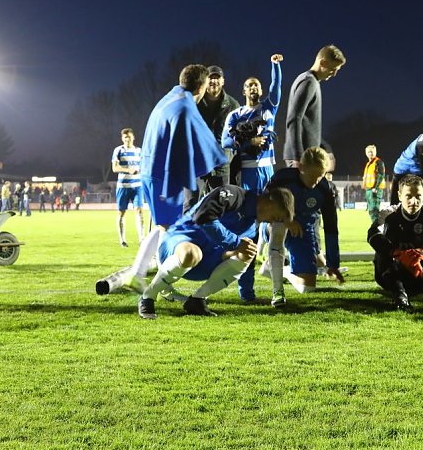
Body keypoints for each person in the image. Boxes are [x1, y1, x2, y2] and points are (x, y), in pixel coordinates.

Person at [130, 64, 228, 286]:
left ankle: (141, 277)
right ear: (201, 87)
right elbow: (196, 144)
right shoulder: (185, 105)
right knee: (167, 229)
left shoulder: (171, 96)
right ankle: (150, 281)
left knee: (162, 226)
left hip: (149, 171)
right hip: (160, 175)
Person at [137, 185, 295, 319]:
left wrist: (238, 255)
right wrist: (236, 243)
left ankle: (197, 300)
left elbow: (228, 251)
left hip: (204, 261)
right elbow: (204, 217)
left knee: (247, 253)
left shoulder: (252, 225)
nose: (273, 221)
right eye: (276, 216)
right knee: (192, 253)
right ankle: (148, 296)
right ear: (270, 202)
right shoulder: (233, 195)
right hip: (177, 244)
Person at [220, 54, 284, 301]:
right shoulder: (236, 115)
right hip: (247, 173)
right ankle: (246, 291)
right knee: (249, 231)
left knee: (276, 223)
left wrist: (275, 66)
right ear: (243, 90)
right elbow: (226, 140)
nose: (254, 88)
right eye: (249, 85)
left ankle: (275, 271)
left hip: (269, 172)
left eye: (257, 84)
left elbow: (277, 87)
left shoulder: (269, 107)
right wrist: (248, 142)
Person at [368, 174, 423, 311]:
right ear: (399, 196)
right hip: (395, 274)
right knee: (381, 252)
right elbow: (372, 235)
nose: (414, 201)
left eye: (418, 196)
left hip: (422, 275)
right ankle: (399, 295)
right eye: (408, 196)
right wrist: (398, 254)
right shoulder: (388, 215)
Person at [265, 147, 341, 304]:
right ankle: (277, 290)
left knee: (307, 288)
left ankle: (282, 270)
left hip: (303, 230)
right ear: (301, 167)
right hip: (276, 222)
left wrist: (333, 264)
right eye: (312, 176)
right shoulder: (283, 179)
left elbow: (331, 227)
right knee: (278, 228)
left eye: (320, 177)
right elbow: (264, 205)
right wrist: (287, 220)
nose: (315, 182)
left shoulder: (324, 189)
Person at [184, 65, 240, 211]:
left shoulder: (233, 105)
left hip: (221, 166)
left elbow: (238, 135)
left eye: (217, 78)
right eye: (210, 78)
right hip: (196, 163)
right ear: (204, 81)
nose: (214, 81)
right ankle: (189, 234)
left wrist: (230, 156)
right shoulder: (193, 102)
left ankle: (217, 234)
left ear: (223, 81)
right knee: (190, 205)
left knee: (220, 206)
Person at [283, 45, 346, 168]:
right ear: (322, 62)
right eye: (333, 69)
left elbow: (308, 126)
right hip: (302, 158)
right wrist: (298, 157)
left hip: (306, 156)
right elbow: (294, 119)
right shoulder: (309, 82)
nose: (334, 74)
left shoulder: (310, 81)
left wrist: (325, 148)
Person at [112, 128, 145, 248]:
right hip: (123, 187)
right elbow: (114, 168)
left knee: (139, 211)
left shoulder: (139, 151)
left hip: (137, 186)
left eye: (129, 137)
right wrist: (128, 170)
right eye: (125, 137)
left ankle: (142, 239)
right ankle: (122, 240)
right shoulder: (118, 150)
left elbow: (144, 166)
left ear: (133, 137)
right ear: (122, 139)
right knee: (121, 212)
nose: (127, 139)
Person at [362, 144, 386, 223]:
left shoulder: (378, 162)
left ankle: (377, 230)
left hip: (375, 190)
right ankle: (376, 228)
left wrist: (375, 187)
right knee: (371, 211)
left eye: (372, 152)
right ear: (366, 153)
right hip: (369, 190)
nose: (370, 154)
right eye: (369, 152)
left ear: (375, 152)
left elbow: (381, 175)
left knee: (374, 211)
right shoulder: (368, 164)